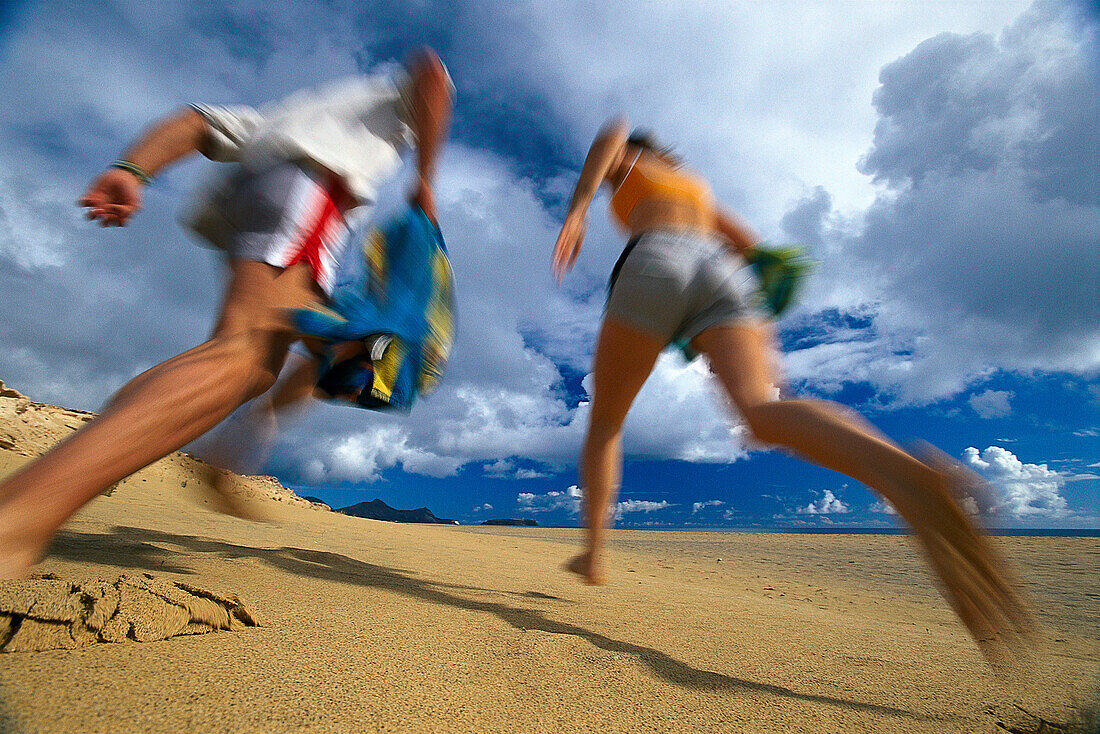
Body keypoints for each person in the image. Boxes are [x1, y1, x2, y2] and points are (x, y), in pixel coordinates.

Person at [552, 118, 1034, 667]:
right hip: (724, 276)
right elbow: (754, 253)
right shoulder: (697, 187)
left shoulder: (632, 161)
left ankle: (594, 554)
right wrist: (765, 339)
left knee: (607, 423)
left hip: (656, 260)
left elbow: (611, 133)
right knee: (764, 410)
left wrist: (580, 207)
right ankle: (909, 474)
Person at [0, 48, 454, 579]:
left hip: (255, 197)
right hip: (313, 189)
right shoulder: (358, 117)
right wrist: (425, 181)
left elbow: (196, 122)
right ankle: (20, 516)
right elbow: (431, 74)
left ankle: (228, 441)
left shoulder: (279, 118)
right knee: (247, 357)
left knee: (336, 344)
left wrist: (132, 170)